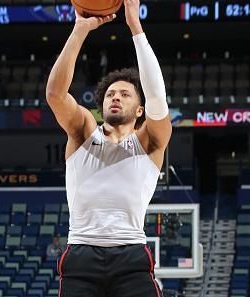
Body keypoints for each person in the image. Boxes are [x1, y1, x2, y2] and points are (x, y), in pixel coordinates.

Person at [45, 0, 172, 295]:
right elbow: (54, 94)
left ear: (140, 110)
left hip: (131, 256)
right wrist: (79, 29)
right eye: (111, 94)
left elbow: (158, 100)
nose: (115, 97)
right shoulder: (83, 133)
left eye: (125, 94)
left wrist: (135, 27)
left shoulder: (150, 142)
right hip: (81, 255)